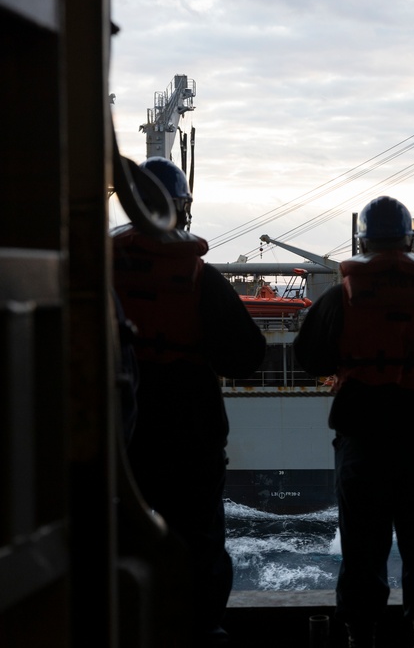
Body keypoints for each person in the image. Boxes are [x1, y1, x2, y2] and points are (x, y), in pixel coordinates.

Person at [293, 195, 414, 648]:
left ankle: (360, 635)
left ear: (363, 241)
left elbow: (309, 357)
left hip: (362, 438)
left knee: (361, 549)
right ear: (411, 239)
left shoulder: (341, 296)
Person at [112, 156, 266, 646]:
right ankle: (203, 629)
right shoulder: (201, 280)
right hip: (189, 433)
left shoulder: (98, 271)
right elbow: (247, 356)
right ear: (182, 210)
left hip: (119, 432)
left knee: (116, 534)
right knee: (199, 539)